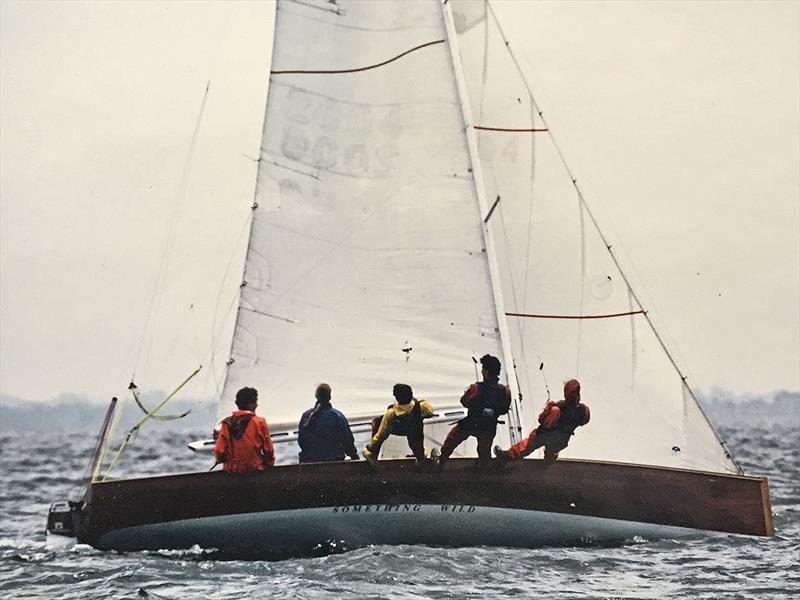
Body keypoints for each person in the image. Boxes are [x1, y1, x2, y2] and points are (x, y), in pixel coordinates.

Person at [432, 354, 511, 469]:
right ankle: (483, 469)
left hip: (471, 423)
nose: (481, 370)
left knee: (452, 440)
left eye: (483, 368)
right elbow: (504, 410)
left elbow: (464, 401)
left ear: (486, 371)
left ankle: (440, 461)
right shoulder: (505, 392)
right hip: (489, 426)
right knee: (484, 450)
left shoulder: (475, 388)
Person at [494, 378, 590, 464]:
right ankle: (548, 460)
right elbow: (584, 421)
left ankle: (507, 456)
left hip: (547, 436)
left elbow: (541, 420)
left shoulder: (562, 408)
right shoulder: (582, 410)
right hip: (558, 439)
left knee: (529, 446)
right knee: (543, 449)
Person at [362, 383, 434, 465]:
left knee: (377, 422)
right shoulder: (421, 406)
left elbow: (381, 434)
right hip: (415, 431)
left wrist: (370, 448)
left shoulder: (391, 413)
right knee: (418, 450)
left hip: (398, 428)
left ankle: (372, 454)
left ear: (396, 397)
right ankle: (421, 458)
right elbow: (430, 413)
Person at [214, 386, 274, 473]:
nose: (257, 405)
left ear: (237, 403)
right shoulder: (260, 422)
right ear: (252, 404)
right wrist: (270, 464)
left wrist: (221, 460)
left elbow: (219, 451)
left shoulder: (226, 423)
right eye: (255, 402)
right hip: (254, 469)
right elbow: (268, 450)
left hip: (232, 471)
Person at [297, 383, 359, 463]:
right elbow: (347, 441)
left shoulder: (305, 416)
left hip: (308, 464)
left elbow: (302, 441)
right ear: (329, 397)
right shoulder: (337, 416)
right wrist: (354, 456)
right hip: (333, 463)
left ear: (316, 396)